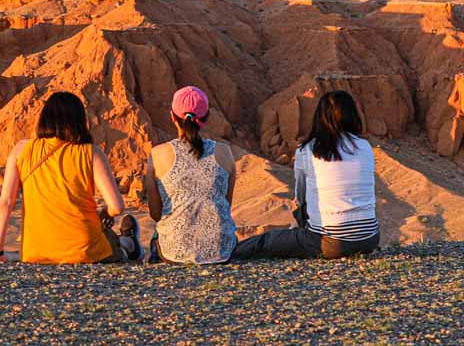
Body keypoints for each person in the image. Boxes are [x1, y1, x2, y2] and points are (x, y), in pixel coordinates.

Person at [0, 91, 141, 264]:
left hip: (36, 253)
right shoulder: (90, 152)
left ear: (44, 118)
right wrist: (105, 213)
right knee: (112, 244)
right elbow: (117, 207)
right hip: (86, 252)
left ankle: (125, 242)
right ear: (79, 121)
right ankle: (128, 243)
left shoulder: (21, 150)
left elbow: (5, 203)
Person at [232, 91, 380, 260]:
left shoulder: (308, 150)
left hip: (331, 243)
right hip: (370, 239)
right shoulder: (365, 146)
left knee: (268, 241)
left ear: (319, 117)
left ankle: (230, 253)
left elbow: (300, 198)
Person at [144, 86, 238, 264]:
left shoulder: (157, 154)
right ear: (206, 117)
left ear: (173, 116)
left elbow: (156, 214)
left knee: (158, 234)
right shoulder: (225, 152)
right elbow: (224, 206)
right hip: (221, 250)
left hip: (174, 252)